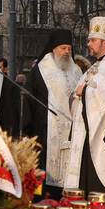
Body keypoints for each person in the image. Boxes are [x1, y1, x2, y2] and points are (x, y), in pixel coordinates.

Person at [23, 28, 82, 198]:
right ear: (54, 48)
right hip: (44, 133)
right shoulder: (40, 70)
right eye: (63, 48)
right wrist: (27, 131)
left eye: (69, 49)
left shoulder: (76, 70)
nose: (67, 52)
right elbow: (29, 102)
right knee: (44, 180)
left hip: (71, 134)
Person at [67, 16, 105, 196]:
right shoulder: (95, 66)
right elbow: (79, 92)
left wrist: (85, 92)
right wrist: (78, 94)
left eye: (92, 40)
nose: (88, 43)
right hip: (86, 132)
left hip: (100, 133)